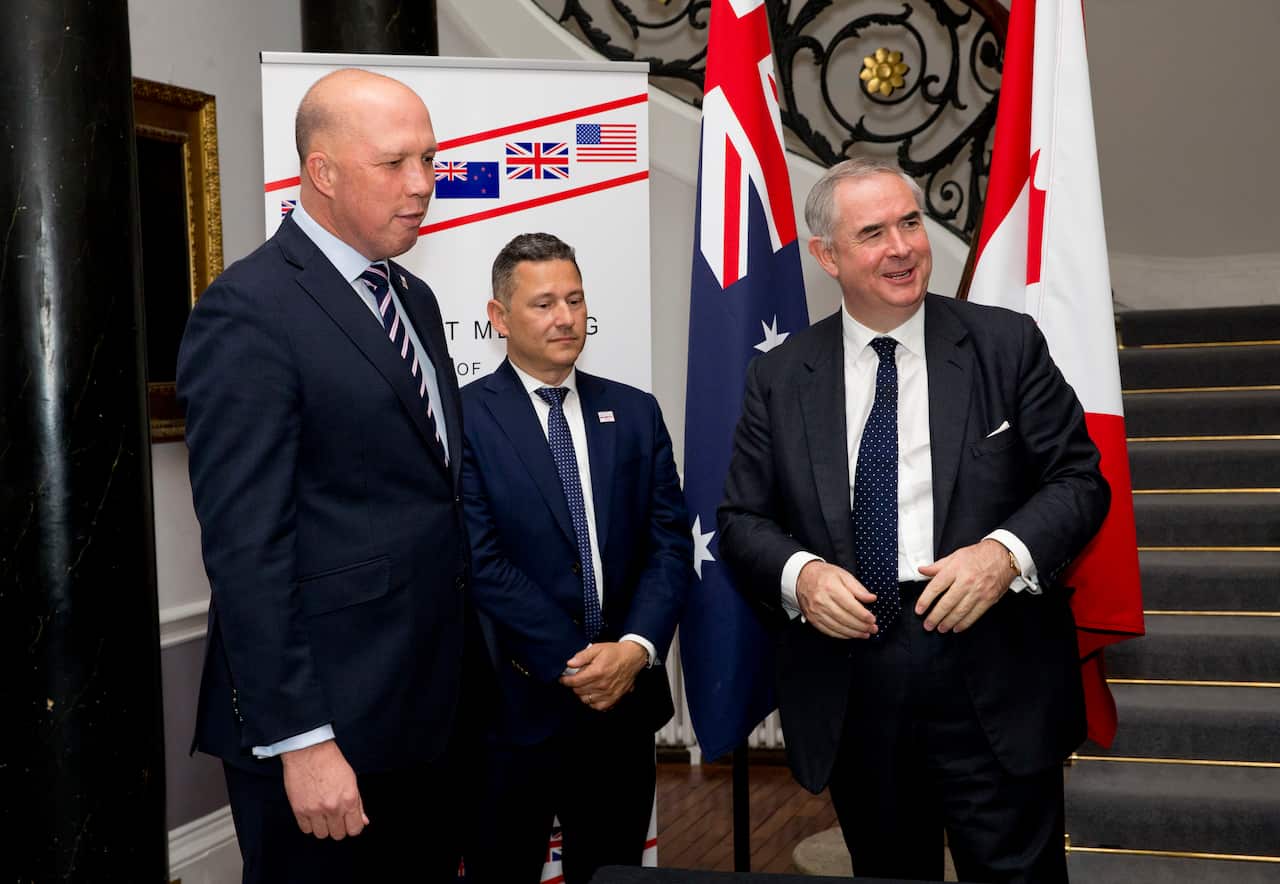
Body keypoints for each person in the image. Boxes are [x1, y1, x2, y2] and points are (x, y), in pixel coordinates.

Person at [717, 157, 1110, 883]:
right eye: (873, 232)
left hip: (992, 671)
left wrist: (1003, 554)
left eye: (910, 222)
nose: (902, 246)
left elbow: (1080, 482)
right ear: (827, 256)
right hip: (856, 678)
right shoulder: (780, 375)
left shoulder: (1006, 344)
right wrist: (802, 578)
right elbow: (742, 518)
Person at [177, 69, 469, 882]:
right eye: (395, 163)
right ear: (322, 172)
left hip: (426, 718)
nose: (422, 186)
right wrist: (303, 742)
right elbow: (247, 549)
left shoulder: (411, 297)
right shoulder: (250, 310)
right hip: (325, 729)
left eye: (430, 160)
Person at [459, 233, 693, 884]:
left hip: (622, 709)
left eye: (574, 299)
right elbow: (481, 561)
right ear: (500, 318)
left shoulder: (636, 413)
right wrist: (578, 663)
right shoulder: (464, 420)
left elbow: (669, 545)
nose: (565, 317)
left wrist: (634, 649)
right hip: (513, 711)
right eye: (543, 304)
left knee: (613, 876)